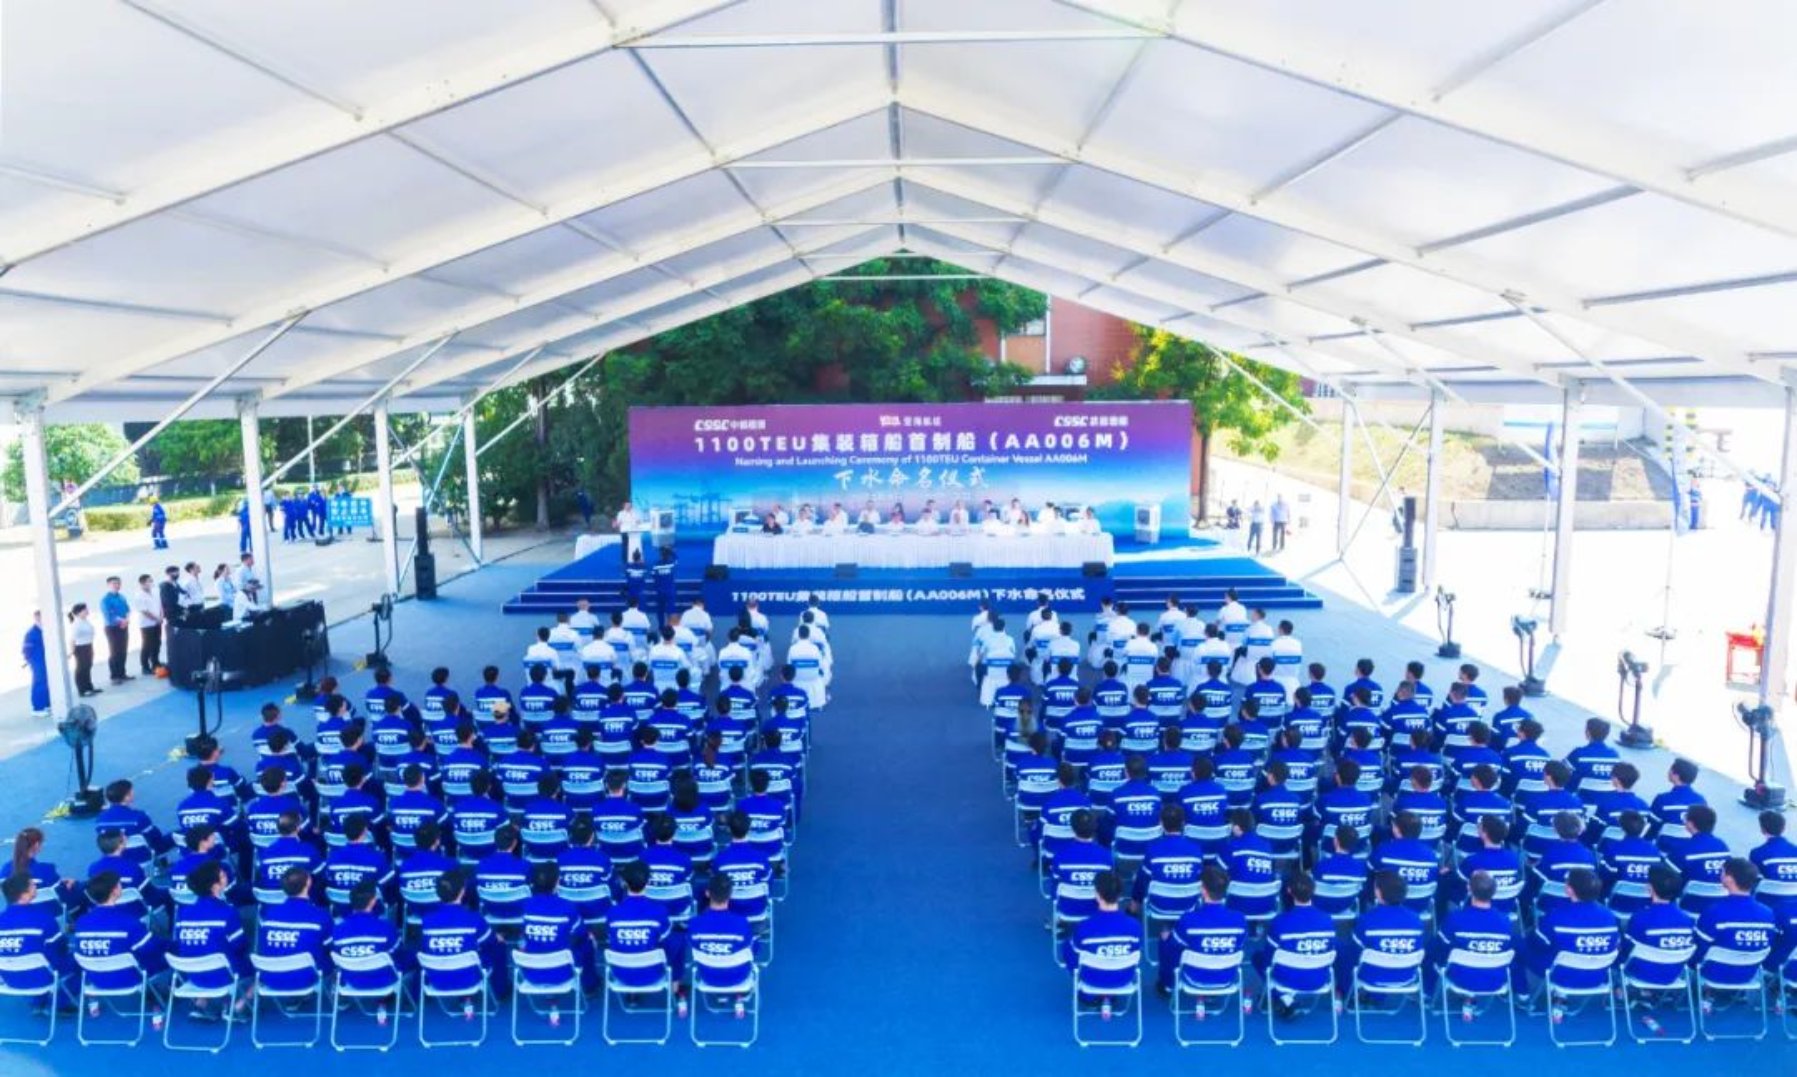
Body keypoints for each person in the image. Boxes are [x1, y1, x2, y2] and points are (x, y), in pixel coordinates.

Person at [130, 574, 163, 676]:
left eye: (152, 581)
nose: (151, 583)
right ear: (143, 583)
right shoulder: (139, 595)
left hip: (157, 622)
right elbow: (144, 611)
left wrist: (161, 616)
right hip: (146, 624)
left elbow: (160, 605)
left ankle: (155, 663)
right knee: (147, 645)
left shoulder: (155, 592)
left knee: (157, 643)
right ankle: (145, 667)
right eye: (149, 581)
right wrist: (156, 618)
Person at [68, 602, 99, 698]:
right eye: (85, 610)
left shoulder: (85, 621)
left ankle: (89, 687)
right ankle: (82, 690)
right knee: (81, 668)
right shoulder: (76, 624)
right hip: (80, 648)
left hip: (88, 646)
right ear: (79, 612)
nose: (87, 611)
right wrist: (71, 652)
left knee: (88, 667)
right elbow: (72, 639)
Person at [23, 611, 50, 716]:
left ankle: (46, 703)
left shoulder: (45, 629)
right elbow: (26, 650)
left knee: (47, 682)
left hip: (45, 659)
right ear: (37, 618)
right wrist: (31, 661)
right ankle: (37, 708)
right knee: (39, 683)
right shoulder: (31, 633)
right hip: (37, 661)